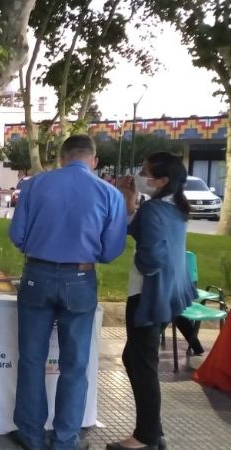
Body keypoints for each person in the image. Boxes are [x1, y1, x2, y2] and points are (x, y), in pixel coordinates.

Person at [8, 135, 127, 450]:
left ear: (61, 157)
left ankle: (32, 436)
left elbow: (16, 234)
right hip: (80, 277)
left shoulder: (34, 185)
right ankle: (65, 440)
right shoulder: (109, 193)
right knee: (75, 364)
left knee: (32, 359)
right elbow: (112, 250)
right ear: (94, 160)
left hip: (37, 275)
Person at [109, 153, 196, 450]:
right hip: (166, 294)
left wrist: (145, 261)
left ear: (162, 181)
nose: (140, 174)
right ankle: (152, 429)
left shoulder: (156, 210)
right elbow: (136, 225)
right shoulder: (173, 207)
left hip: (148, 296)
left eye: (145, 172)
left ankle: (145, 437)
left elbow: (151, 256)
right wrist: (129, 198)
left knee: (142, 362)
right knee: (133, 358)